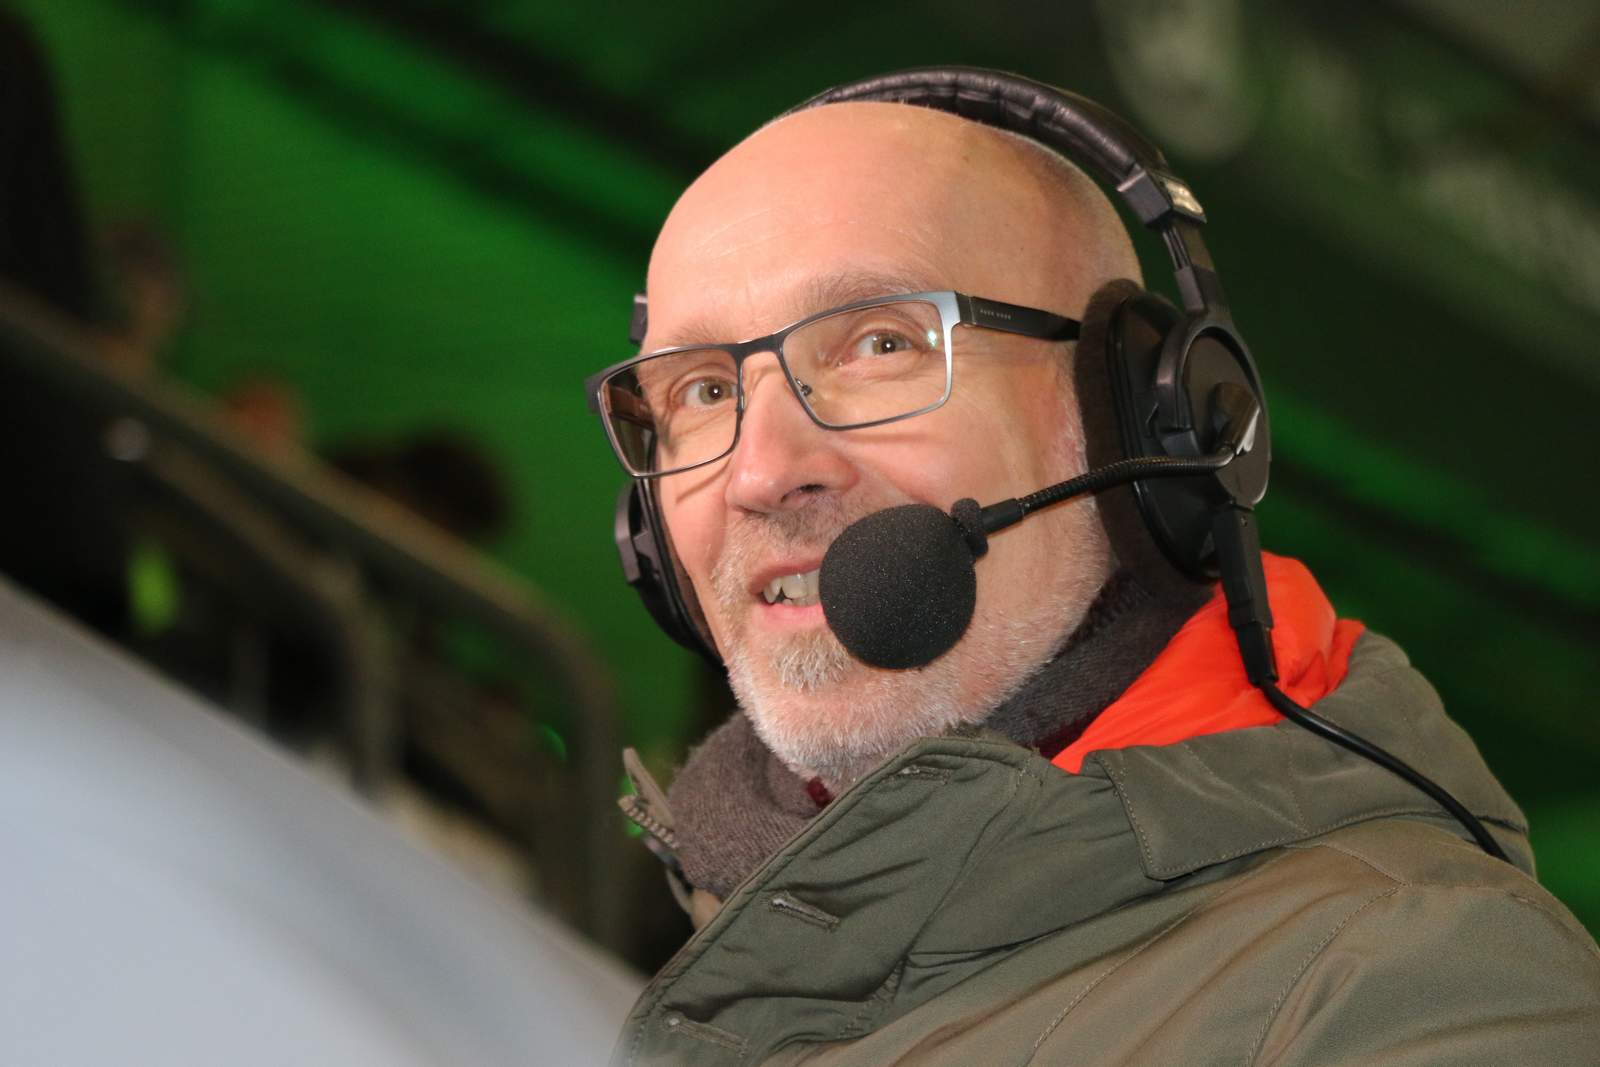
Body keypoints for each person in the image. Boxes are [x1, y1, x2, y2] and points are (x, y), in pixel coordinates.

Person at [589, 71, 1600, 1065]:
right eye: (702, 390)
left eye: (881, 344)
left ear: (1145, 419)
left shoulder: (1428, 988)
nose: (761, 471)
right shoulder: (710, 964)